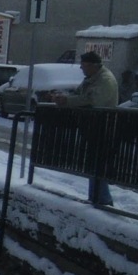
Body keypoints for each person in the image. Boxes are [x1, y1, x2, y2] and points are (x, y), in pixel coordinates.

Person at [53, 51, 119, 206]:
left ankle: (103, 199)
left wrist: (67, 101)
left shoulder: (105, 80)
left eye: (83, 66)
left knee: (98, 164)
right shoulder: (91, 79)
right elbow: (79, 94)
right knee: (93, 163)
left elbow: (93, 100)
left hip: (103, 127)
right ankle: (96, 197)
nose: (82, 69)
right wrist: (63, 97)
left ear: (93, 65)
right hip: (92, 127)